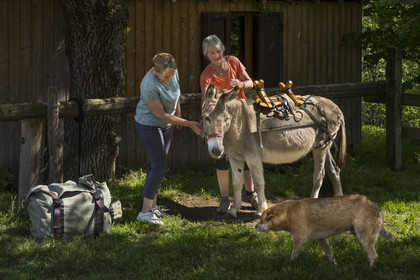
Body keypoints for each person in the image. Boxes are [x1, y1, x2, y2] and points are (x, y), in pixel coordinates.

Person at [134, 53, 202, 225]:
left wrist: (178, 114)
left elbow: (176, 93)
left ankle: (152, 207)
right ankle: (144, 212)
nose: (170, 78)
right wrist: (187, 123)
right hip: (149, 124)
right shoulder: (148, 84)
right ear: (156, 72)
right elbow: (161, 114)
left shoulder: (172, 71)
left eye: (172, 75)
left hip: (167, 124)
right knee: (159, 165)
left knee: (155, 165)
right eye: (166, 76)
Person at [200, 34, 258, 214]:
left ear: (223, 50)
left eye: (218, 51)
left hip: (240, 116)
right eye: (212, 53)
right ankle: (225, 199)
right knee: (223, 161)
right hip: (221, 121)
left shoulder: (233, 61)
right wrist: (205, 123)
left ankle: (251, 193)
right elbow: (205, 103)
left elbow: (251, 83)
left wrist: (241, 84)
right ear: (206, 55)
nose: (216, 55)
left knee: (248, 158)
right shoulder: (206, 75)